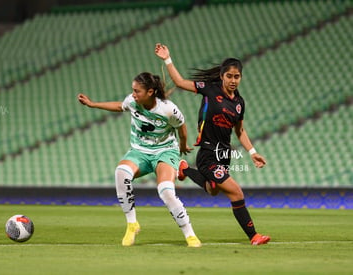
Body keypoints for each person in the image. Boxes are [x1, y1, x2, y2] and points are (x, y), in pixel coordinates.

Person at [155, 43, 270, 245]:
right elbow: (180, 82)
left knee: (213, 189)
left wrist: (252, 152)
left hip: (223, 154)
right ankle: (254, 236)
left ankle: (184, 169)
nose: (233, 80)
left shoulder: (239, 103)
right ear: (222, 76)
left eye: (237, 77)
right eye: (229, 76)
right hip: (208, 152)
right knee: (236, 192)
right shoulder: (209, 89)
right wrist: (167, 59)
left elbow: (240, 130)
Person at [77, 72, 202, 247]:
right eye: (133, 91)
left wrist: (182, 144)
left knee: (166, 191)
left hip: (165, 151)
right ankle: (132, 224)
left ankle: (190, 235)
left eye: (137, 91)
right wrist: (93, 104)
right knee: (121, 173)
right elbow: (120, 106)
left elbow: (181, 127)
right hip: (139, 151)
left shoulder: (168, 109)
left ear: (150, 92)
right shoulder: (133, 102)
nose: (133, 94)